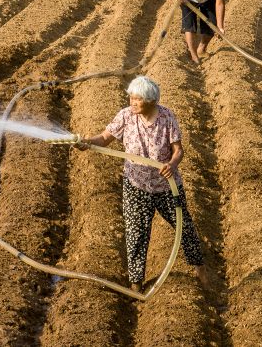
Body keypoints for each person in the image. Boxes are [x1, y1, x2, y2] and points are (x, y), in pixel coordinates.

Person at [75, 76, 209, 292]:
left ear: (152, 101)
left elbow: (178, 149)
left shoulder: (166, 117)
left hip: (166, 185)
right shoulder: (126, 116)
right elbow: (104, 138)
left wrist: (173, 164)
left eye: (138, 99)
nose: (132, 102)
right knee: (136, 233)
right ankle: (136, 284)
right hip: (136, 185)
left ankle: (200, 270)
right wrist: (86, 143)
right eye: (131, 97)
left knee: (184, 227)